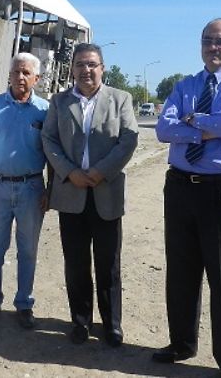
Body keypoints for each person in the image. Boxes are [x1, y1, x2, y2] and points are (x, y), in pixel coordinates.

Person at [152, 18, 221, 378]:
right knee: (181, 272)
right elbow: (164, 129)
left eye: (220, 41)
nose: (213, 47)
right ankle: (182, 342)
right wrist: (208, 129)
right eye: (207, 41)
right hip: (182, 187)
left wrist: (193, 120)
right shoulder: (185, 85)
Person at [41, 43, 139, 347]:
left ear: (103, 68)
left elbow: (128, 140)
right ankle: (81, 322)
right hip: (71, 194)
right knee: (76, 263)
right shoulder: (59, 102)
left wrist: (99, 172)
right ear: (72, 69)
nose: (87, 70)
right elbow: (49, 138)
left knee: (109, 264)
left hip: (105, 193)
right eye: (81, 64)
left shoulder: (120, 99)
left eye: (92, 64)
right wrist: (69, 172)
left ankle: (112, 325)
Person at [0, 52, 50, 329]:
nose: (20, 77)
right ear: (9, 74)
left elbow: (52, 152)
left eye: (26, 73)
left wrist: (49, 188)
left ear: (36, 78)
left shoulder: (45, 110)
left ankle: (24, 303)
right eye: (16, 71)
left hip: (31, 188)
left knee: (27, 249)